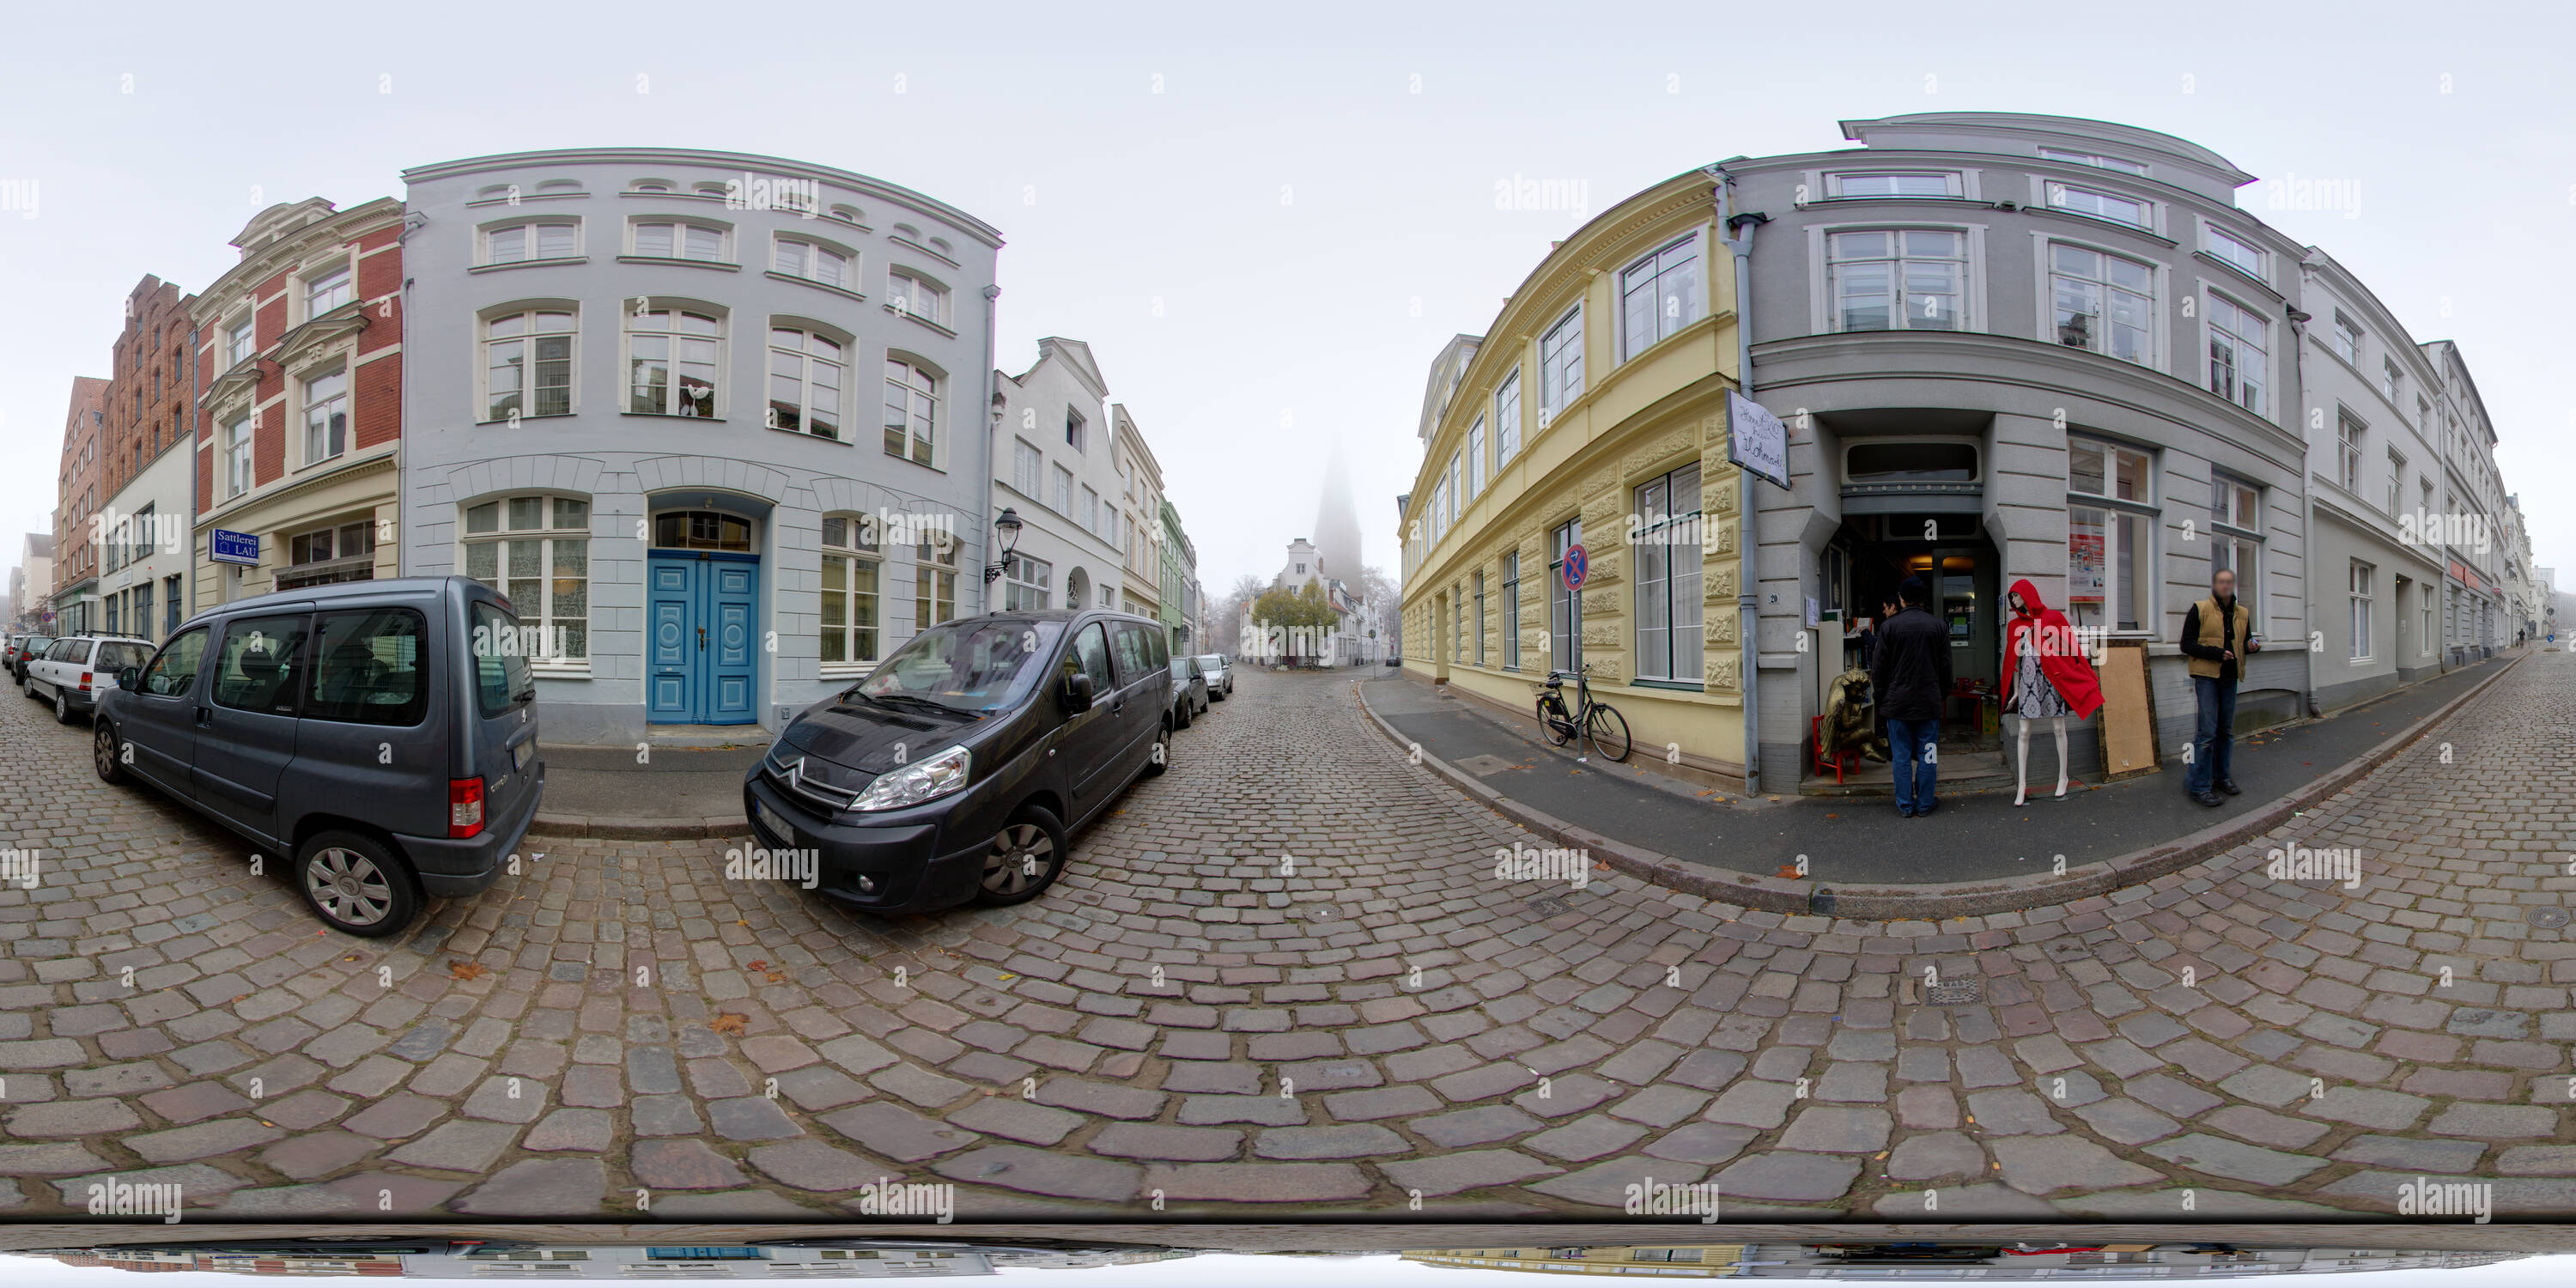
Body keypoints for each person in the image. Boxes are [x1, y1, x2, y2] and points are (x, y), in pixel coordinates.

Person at [2002, 579, 2104, 806]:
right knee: (2024, 730)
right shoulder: (2014, 626)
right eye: (2011, 598)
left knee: (2059, 727)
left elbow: (2071, 650)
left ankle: (2063, 777)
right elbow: (2014, 662)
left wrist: (2081, 675)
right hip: (2028, 682)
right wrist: (2016, 691)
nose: (2014, 601)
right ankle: (2022, 785)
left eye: (2016, 596)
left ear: (2028, 595)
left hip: (2053, 680)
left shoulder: (2053, 619)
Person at [1870, 575, 1951, 817]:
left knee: (1901, 756)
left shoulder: (1889, 627)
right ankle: (1925, 803)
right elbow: (1946, 670)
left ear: (1902, 599)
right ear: (1923, 600)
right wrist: (1941, 696)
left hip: (1897, 705)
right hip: (1929, 703)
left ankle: (1905, 805)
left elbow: (1879, 671)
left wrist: (1883, 700)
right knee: (1928, 754)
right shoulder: (1939, 626)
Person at [2178, 566, 2258, 806]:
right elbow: (2186, 644)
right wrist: (2215, 653)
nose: (2225, 586)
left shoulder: (2242, 613)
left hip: (2230, 678)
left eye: (2229, 582)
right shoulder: (2199, 609)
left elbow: (2245, 641)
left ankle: (2221, 777)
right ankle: (2199, 786)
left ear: (2233, 586)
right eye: (2220, 582)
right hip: (2207, 678)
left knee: (2226, 732)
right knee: (2206, 734)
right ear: (2214, 586)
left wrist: (2254, 646)